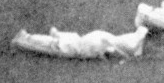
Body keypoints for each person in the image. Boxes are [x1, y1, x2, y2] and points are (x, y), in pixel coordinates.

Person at [11, 26, 149, 60]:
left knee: (51, 43)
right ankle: (26, 38)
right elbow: (116, 49)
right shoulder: (108, 41)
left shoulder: (108, 41)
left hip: (76, 45)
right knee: (53, 42)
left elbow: (116, 49)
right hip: (78, 43)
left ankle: (25, 38)